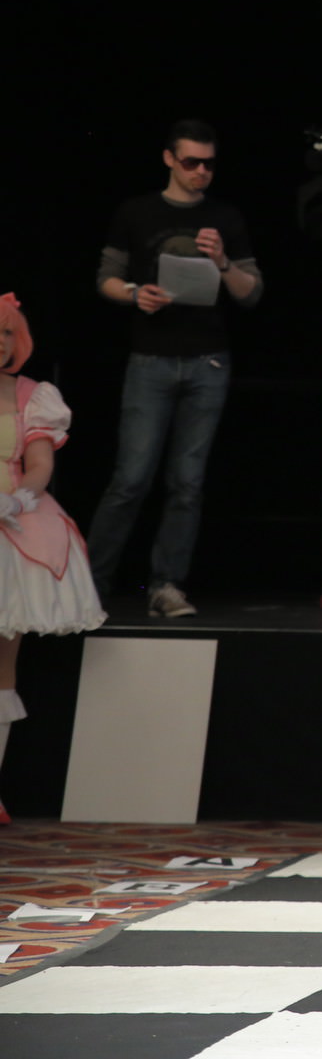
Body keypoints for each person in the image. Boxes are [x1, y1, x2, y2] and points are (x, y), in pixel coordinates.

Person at [87, 119, 265, 617]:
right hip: (150, 359)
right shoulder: (137, 212)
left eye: (209, 163)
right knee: (131, 478)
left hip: (208, 360)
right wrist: (134, 294)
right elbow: (105, 277)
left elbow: (252, 292)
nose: (201, 171)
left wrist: (223, 262)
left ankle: (166, 586)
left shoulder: (224, 217)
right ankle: (89, 583)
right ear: (169, 159)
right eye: (191, 162)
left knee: (187, 483)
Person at [0, 294, 108, 824]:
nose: (1, 343)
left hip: (13, 526)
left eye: (7, 333)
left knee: (4, 662)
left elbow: (39, 463)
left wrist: (19, 498)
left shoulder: (32, 396)